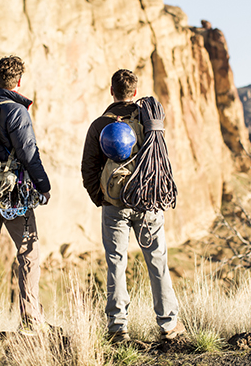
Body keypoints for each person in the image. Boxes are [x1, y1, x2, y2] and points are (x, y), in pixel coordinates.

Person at [80, 69, 185, 342]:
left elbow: (88, 169)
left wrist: (102, 198)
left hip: (114, 203)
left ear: (112, 91)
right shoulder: (149, 121)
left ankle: (117, 328)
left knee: (116, 262)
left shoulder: (99, 124)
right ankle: (169, 325)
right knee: (157, 261)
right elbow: (161, 159)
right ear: (135, 93)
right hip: (147, 201)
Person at [0, 55, 51, 336]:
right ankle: (30, 320)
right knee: (29, 251)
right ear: (18, 82)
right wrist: (43, 185)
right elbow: (29, 153)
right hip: (13, 193)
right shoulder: (17, 112)